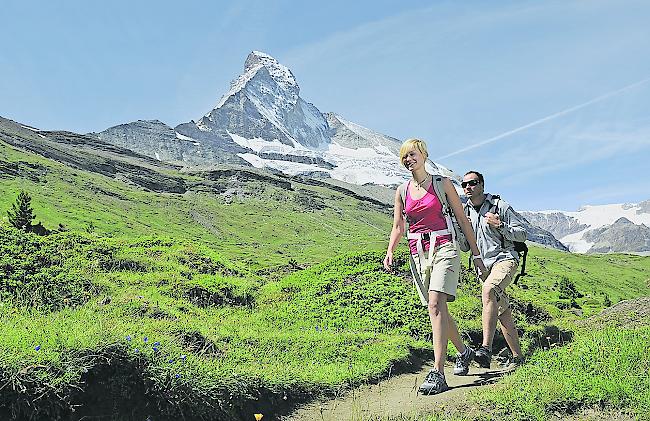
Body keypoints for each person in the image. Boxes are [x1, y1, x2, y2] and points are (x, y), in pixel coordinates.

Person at [383, 139, 488, 395]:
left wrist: (476, 255)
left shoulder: (442, 184)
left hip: (445, 247)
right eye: (405, 156)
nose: (409, 159)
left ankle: (438, 372)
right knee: (438, 307)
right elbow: (399, 227)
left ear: (424, 155)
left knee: (434, 304)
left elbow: (463, 220)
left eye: (413, 154)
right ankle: (464, 352)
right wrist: (389, 252)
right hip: (418, 252)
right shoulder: (402, 190)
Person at [461, 170, 526, 368]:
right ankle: (518, 357)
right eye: (464, 185)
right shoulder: (465, 211)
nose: (467, 188)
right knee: (502, 310)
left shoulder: (500, 206)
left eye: (472, 183)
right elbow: (465, 246)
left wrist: (500, 225)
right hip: (483, 267)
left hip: (505, 260)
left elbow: (522, 234)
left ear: (481, 184)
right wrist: (461, 230)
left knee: (488, 291)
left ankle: (485, 349)